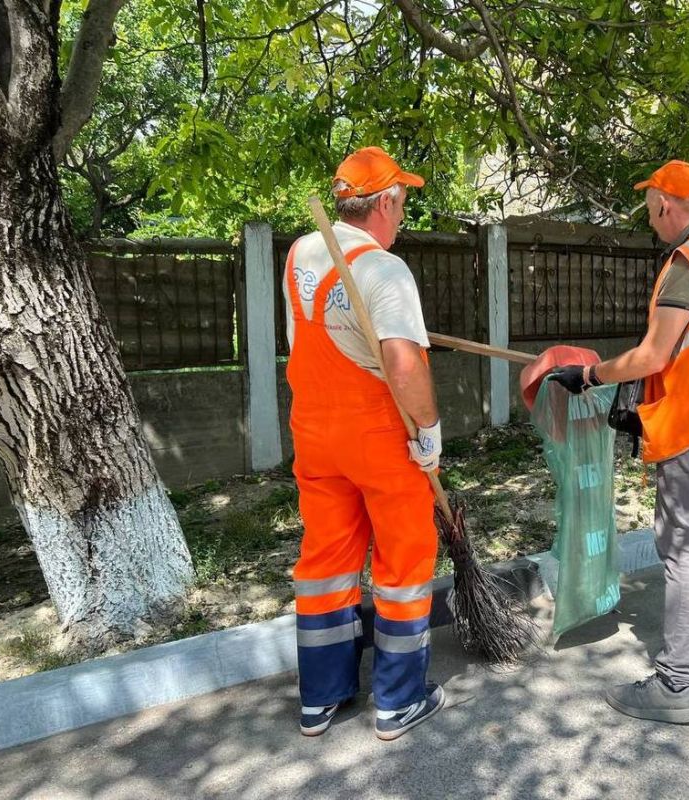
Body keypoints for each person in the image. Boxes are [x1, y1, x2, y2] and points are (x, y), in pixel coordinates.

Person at [548, 159, 689, 725]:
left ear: (666, 204)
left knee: (684, 549)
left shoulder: (686, 264)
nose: (648, 215)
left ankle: (677, 685)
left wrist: (590, 377)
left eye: (649, 205)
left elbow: (654, 355)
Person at [284, 146, 444, 741]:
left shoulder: (300, 253)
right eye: (401, 202)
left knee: (326, 559)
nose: (402, 215)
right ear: (385, 201)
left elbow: (324, 328)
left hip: (315, 433)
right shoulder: (384, 270)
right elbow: (402, 362)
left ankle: (320, 699)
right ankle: (398, 701)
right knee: (403, 560)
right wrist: (426, 433)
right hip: (379, 436)